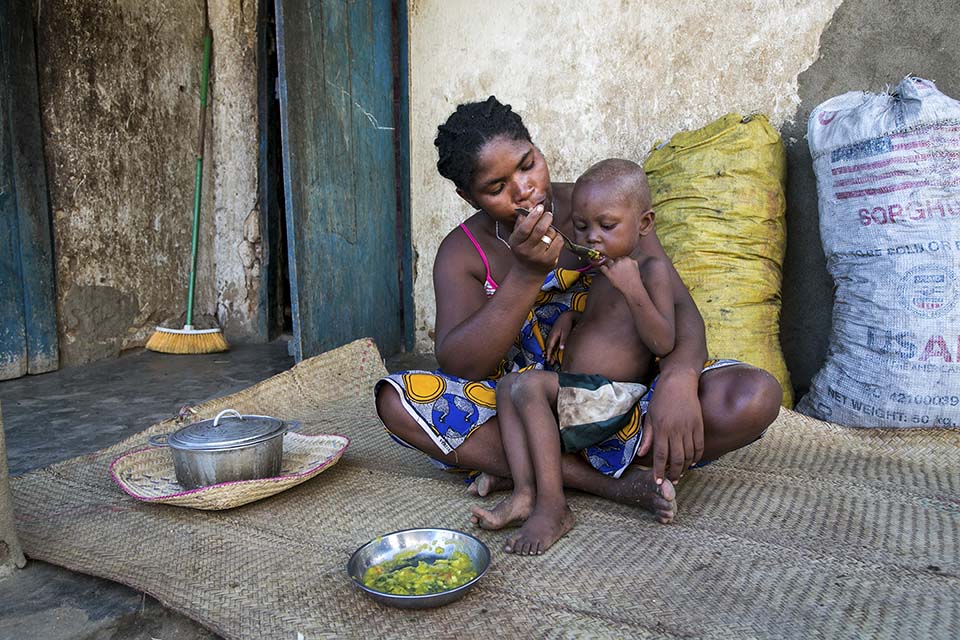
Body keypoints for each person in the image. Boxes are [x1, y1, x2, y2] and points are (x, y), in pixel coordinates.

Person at [374, 96, 782, 524]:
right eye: (496, 189)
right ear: (467, 196)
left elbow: (679, 307)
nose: (523, 189)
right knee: (397, 401)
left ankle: (521, 469)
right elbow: (462, 364)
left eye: (528, 164)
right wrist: (527, 275)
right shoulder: (463, 253)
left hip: (623, 394)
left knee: (753, 395)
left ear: (536, 148)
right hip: (519, 405)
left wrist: (679, 382)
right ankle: (610, 484)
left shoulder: (598, 210)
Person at [472, 158, 682, 555]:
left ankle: (554, 507)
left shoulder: (650, 269)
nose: (593, 238)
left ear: (645, 224)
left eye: (607, 226)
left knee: (530, 386)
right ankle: (524, 492)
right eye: (583, 227)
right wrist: (571, 317)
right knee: (508, 386)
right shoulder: (601, 269)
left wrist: (633, 289)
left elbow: (663, 341)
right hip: (578, 396)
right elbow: (605, 321)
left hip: (612, 399)